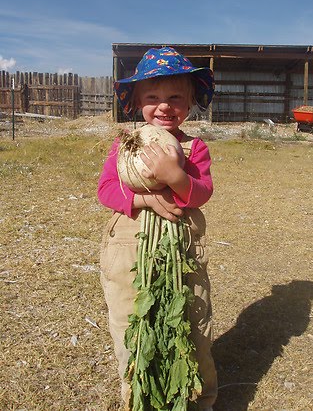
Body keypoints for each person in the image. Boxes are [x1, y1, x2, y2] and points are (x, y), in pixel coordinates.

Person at [98, 46, 217, 411]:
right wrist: (145, 199)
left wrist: (176, 177)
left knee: (192, 327)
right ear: (135, 102)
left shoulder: (194, 147)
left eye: (175, 97)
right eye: (153, 97)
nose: (164, 106)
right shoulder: (125, 144)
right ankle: (139, 399)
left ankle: (197, 401)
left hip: (180, 251)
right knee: (131, 324)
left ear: (191, 101)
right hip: (129, 246)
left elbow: (202, 191)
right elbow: (106, 189)